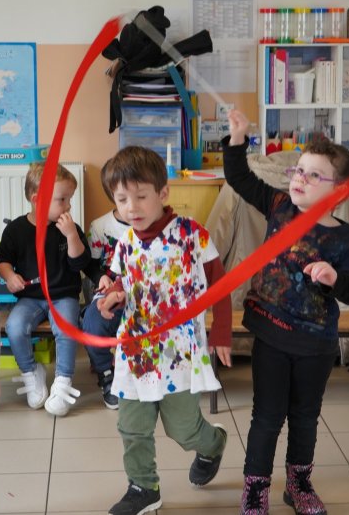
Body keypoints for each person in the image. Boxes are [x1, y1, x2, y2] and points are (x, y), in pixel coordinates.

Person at [223, 110, 349, 515]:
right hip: (271, 333)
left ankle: (299, 485)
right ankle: (256, 488)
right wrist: (238, 138)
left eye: (313, 175)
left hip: (316, 344)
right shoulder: (279, 205)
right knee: (267, 416)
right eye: (299, 170)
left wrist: (334, 278)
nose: (299, 178)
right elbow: (239, 178)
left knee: (305, 417)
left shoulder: (348, 240)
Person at [95, 146, 232, 515]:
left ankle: (212, 444)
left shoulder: (192, 235)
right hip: (136, 351)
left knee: (183, 430)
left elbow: (220, 286)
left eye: (141, 196)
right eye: (122, 199)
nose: (132, 207)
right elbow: (121, 284)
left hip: (178, 354)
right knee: (132, 427)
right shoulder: (125, 242)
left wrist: (221, 332)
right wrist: (111, 298)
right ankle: (143, 486)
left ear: (163, 193)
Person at [0, 161, 90, 416]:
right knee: (15, 327)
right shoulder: (16, 230)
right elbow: (2, 259)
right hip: (30, 298)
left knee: (66, 329)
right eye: (62, 200)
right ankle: (30, 372)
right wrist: (10, 276)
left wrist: (71, 236)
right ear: (37, 200)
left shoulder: (69, 228)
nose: (68, 206)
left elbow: (80, 262)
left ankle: (63, 382)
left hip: (63, 296)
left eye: (69, 199)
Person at [81, 159, 129, 410]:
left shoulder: (154, 228)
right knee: (92, 324)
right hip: (108, 293)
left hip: (144, 295)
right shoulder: (100, 227)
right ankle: (106, 373)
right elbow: (91, 265)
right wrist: (101, 278)